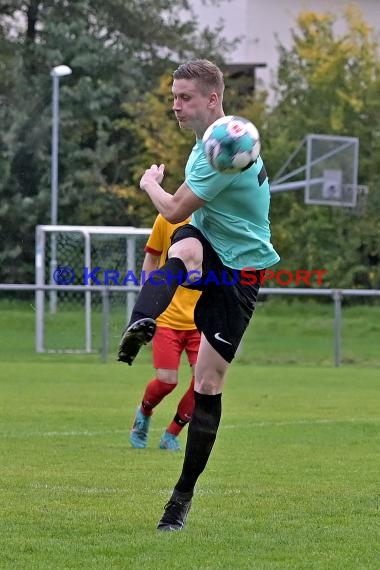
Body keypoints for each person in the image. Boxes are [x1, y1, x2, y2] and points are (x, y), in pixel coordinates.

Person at [118, 59, 280, 531]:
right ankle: (139, 323)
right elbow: (180, 222)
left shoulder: (225, 149)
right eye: (173, 97)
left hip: (242, 267)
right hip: (209, 241)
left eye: (184, 97)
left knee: (208, 384)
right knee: (186, 245)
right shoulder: (204, 145)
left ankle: (180, 499)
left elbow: (169, 207)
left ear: (213, 98)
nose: (175, 105)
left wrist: (150, 182)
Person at [129, 213, 201, 451]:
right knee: (167, 381)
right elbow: (151, 258)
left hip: (201, 321)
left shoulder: (217, 216)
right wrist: (148, 300)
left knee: (204, 381)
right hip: (168, 318)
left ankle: (172, 434)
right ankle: (144, 412)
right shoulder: (167, 217)